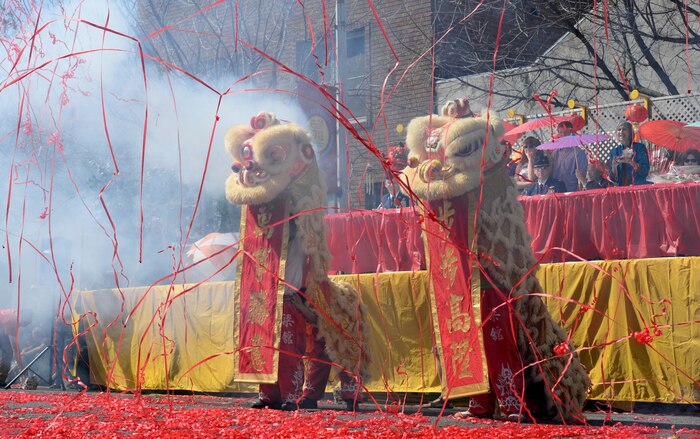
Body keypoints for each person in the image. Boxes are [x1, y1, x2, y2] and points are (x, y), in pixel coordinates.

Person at [290, 288, 363, 411]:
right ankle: (310, 397)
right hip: (322, 331)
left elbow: (319, 320)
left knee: (344, 360)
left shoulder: (318, 293)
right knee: (318, 360)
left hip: (341, 327)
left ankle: (352, 397)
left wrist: (301, 307)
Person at [550, 121, 588, 192]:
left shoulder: (578, 153)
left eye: (566, 132)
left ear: (571, 133)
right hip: (556, 190)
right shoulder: (555, 153)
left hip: (571, 190)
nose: (563, 135)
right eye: (561, 132)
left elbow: (583, 174)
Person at [609, 121, 650, 186]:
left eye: (624, 129)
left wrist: (631, 162)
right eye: (619, 129)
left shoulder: (639, 148)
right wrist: (614, 166)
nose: (621, 132)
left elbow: (645, 170)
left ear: (631, 133)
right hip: (621, 189)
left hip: (637, 186)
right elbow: (613, 179)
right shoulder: (614, 151)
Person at [0, 308, 33, 387]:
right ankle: (0, 379)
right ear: (22, 316)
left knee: (7, 352)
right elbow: (15, 349)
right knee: (8, 354)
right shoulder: (12, 321)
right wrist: (22, 369)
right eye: (27, 321)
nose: (29, 323)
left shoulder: (15, 313)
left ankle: (1, 379)